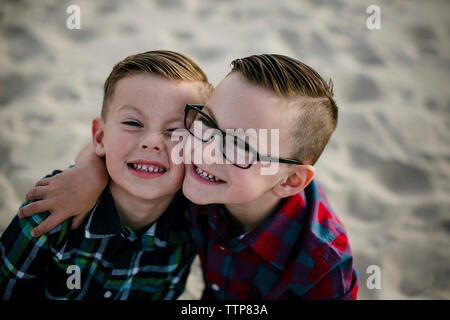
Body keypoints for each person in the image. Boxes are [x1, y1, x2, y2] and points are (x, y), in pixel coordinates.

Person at [18, 54, 359, 299]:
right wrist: (88, 172)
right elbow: (119, 146)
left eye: (239, 146)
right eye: (206, 123)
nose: (206, 150)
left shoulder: (322, 262)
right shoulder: (196, 179)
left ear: (289, 181)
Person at [0, 50, 213, 299]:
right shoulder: (53, 209)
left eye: (175, 131)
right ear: (99, 137)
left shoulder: (199, 220)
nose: (152, 143)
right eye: (133, 123)